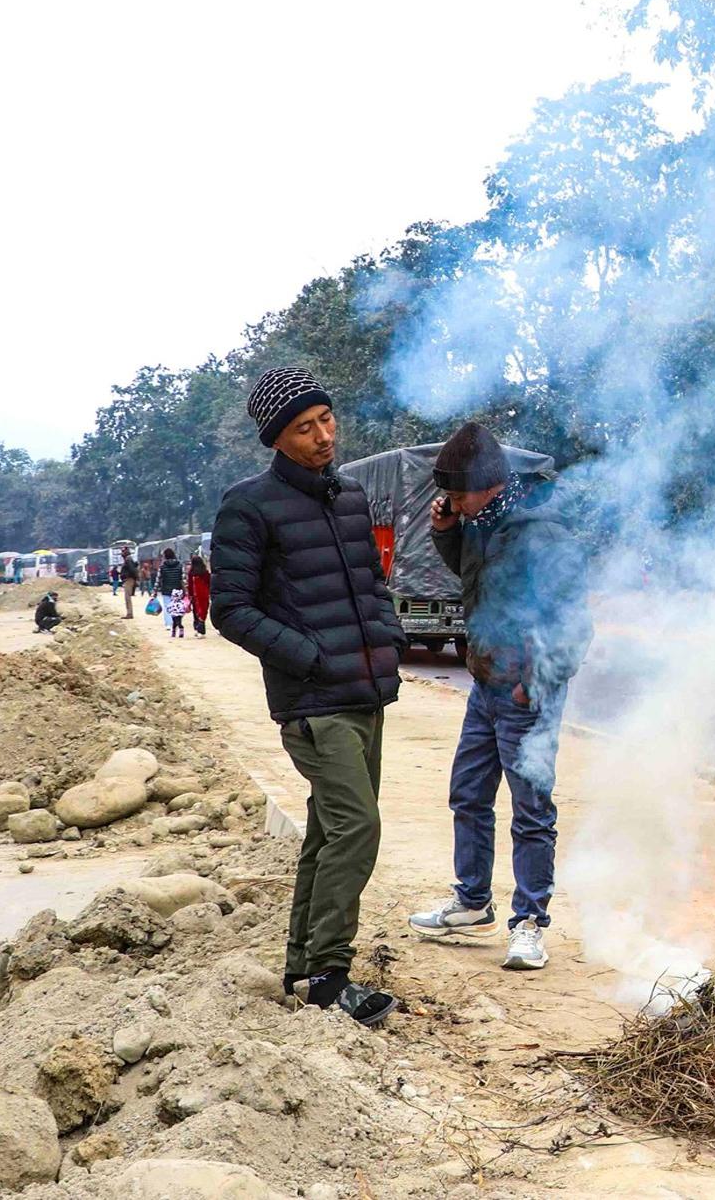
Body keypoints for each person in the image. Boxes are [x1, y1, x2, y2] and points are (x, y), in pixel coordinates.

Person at [212, 366, 407, 1026]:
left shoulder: (350, 497)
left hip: (365, 693)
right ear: (277, 438)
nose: (323, 436)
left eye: (326, 419)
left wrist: (389, 637)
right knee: (358, 825)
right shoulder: (249, 505)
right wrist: (309, 656)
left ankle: (301, 967)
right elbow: (231, 609)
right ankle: (330, 973)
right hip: (311, 702)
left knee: (329, 830)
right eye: (304, 428)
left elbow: (371, 584)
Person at [408, 423, 592, 973]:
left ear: (490, 484)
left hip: (526, 690)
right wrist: (446, 533)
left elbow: (574, 625)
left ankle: (530, 922)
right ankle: (472, 901)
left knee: (531, 811)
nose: (452, 503)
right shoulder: (481, 522)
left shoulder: (543, 534)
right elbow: (478, 585)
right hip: (485, 684)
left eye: (459, 494)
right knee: (468, 793)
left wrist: (532, 683)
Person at [187, 552, 212, 637]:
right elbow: (209, 583)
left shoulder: (191, 572)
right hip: (204, 594)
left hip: (195, 594)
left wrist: (189, 594)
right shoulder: (205, 572)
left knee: (196, 611)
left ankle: (198, 628)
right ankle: (201, 627)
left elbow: (190, 584)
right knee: (203, 611)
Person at [118, 544, 139, 619]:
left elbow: (132, 570)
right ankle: (129, 613)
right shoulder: (129, 559)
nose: (122, 553)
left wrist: (135, 578)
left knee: (127, 597)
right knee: (127, 597)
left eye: (123, 551)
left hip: (129, 579)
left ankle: (129, 613)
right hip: (129, 579)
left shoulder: (128, 559)